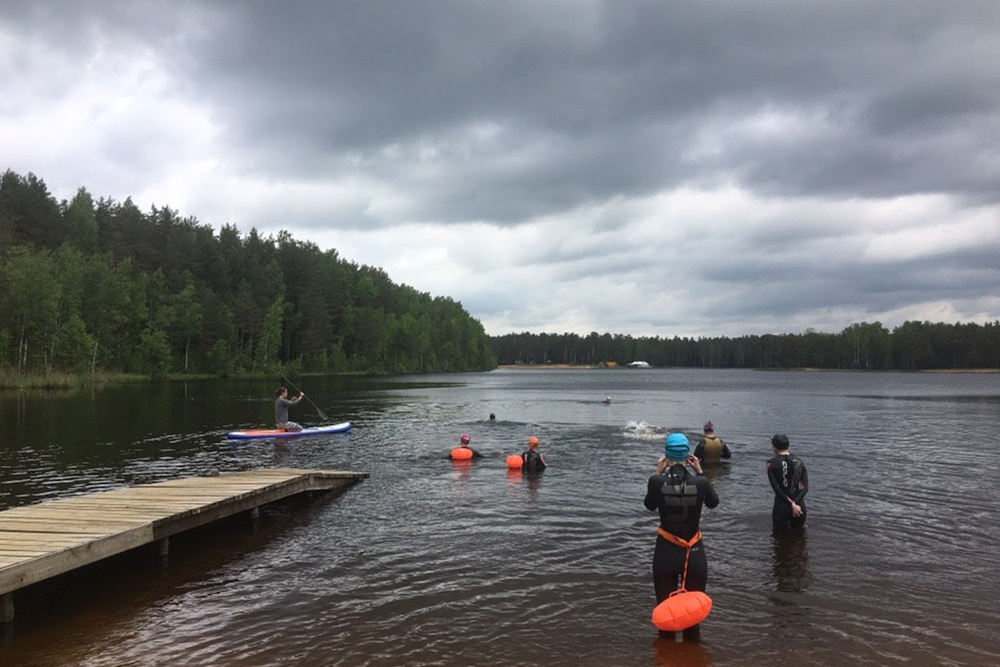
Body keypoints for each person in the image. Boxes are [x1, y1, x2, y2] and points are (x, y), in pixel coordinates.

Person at [644, 432, 719, 639]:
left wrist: (658, 472)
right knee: (692, 620)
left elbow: (649, 505)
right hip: (693, 553)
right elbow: (714, 503)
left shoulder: (656, 481)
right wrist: (701, 472)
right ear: (689, 457)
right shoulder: (701, 482)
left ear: (666, 457)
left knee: (666, 619)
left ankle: (666, 659)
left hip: (665, 553)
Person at [766, 434, 808, 534]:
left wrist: (791, 505)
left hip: (782, 506)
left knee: (779, 539)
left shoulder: (771, 463)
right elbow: (805, 488)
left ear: (774, 447)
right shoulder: (800, 462)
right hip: (799, 507)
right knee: (799, 538)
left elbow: (776, 488)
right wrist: (795, 504)